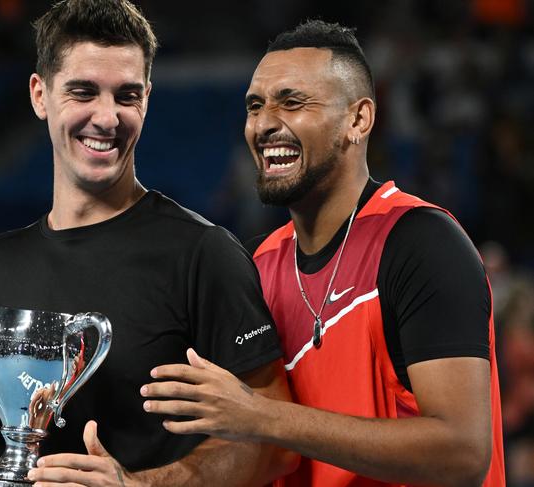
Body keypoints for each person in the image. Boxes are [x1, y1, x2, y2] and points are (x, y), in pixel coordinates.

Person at [0, 1, 298, 485]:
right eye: (83, 92)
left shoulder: (203, 254)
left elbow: (276, 445)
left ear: (147, 98)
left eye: (126, 95)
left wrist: (137, 485)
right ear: (40, 95)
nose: (107, 118)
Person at [136, 20, 506, 486]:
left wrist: (263, 418)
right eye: (255, 106)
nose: (265, 123)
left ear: (358, 119)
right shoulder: (254, 266)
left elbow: (462, 454)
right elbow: (251, 452)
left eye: (292, 102)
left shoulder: (421, 243)